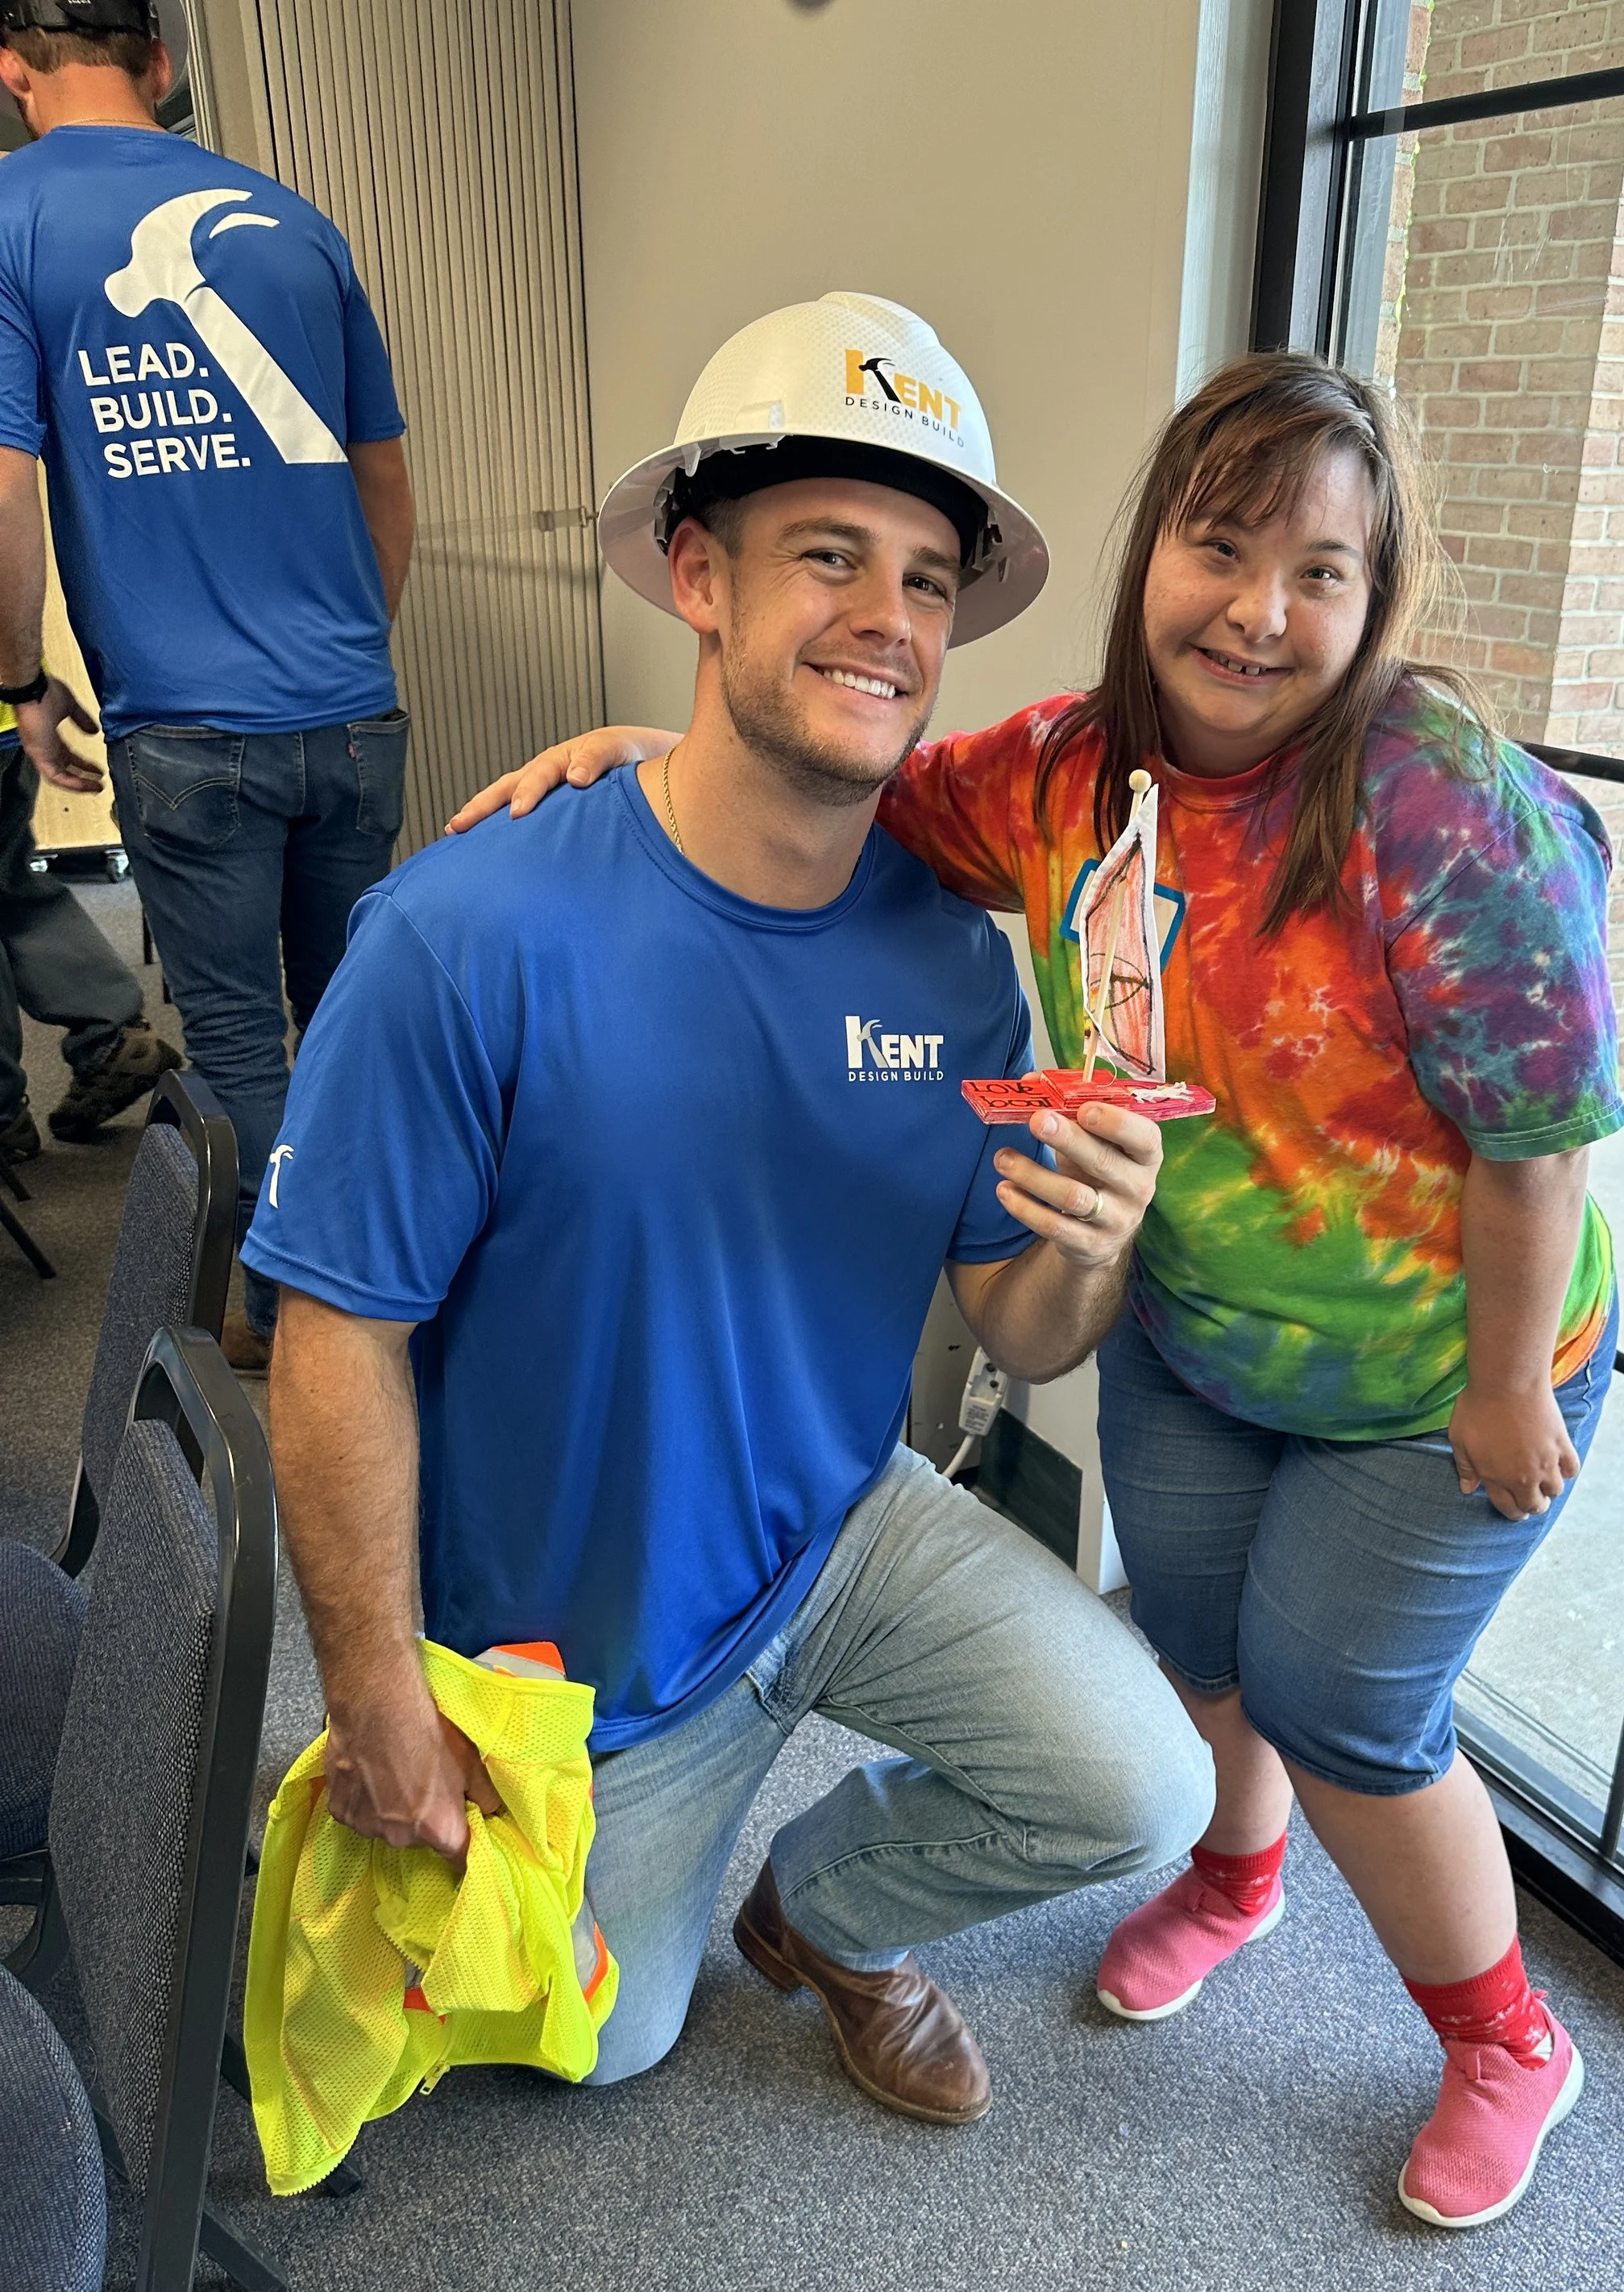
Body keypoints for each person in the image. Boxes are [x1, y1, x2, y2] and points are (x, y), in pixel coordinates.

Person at [456, 351, 1624, 2227]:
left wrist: (1504, 1383)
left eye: (1318, 573)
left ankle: (1503, 2040)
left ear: (1375, 596)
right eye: (1219, 545)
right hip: (1201, 1336)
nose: (1257, 608)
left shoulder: (1443, 804)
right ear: (1148, 545)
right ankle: (1231, 1881)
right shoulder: (1074, 771)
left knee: (1344, 1708)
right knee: (1202, 1651)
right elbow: (845, 786)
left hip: (1444, 1371)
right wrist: (634, 768)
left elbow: (1543, 1138)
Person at [244, 293, 1213, 2124]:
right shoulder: (466, 935)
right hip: (582, 1642)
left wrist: (1093, 1237)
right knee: (600, 2047)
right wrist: (373, 1687)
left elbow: (1016, 1322)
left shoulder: (951, 964)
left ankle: (826, 1913)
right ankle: (654, 1851)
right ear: (698, 577)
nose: (887, 620)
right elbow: (334, 1328)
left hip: (838, 1527)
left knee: (1142, 1787)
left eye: (925, 580)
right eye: (827, 557)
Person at [0, 0, 415, 1364]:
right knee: (356, 1017)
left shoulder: (13, 218)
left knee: (241, 1044)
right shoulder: (299, 222)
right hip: (351, 713)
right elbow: (382, 479)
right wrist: (357, 646)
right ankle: (385, 1276)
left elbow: (6, 491)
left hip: (187, 727)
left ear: (13, 74)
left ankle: (293, 1320)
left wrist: (21, 685)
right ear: (163, 66)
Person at [0, 689, 177, 1159]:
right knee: (10, 883)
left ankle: (1, 1114)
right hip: (3, 715)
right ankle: (112, 1036)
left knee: (9, 881)